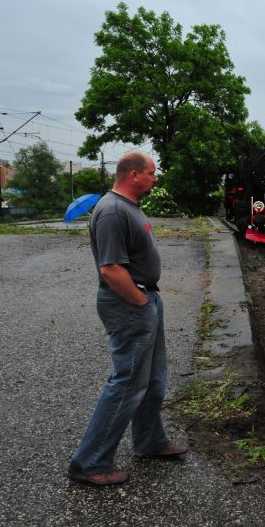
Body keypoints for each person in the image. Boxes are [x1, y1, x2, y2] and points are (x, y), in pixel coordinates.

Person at [68, 152, 186, 486]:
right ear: (133, 175)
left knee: (153, 380)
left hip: (146, 298)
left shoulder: (127, 206)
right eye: (152, 172)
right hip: (129, 303)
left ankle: (149, 440)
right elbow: (110, 268)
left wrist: (150, 300)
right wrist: (140, 302)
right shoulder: (112, 211)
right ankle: (89, 462)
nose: (155, 178)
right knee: (128, 383)